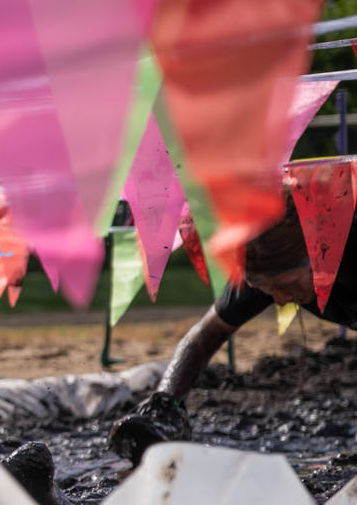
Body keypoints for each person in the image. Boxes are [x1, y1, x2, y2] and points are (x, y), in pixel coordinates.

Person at [109, 193, 357, 465]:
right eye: (268, 290)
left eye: (288, 285)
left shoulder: (346, 244)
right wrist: (165, 404)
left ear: (318, 255)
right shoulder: (262, 271)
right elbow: (204, 336)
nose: (281, 299)